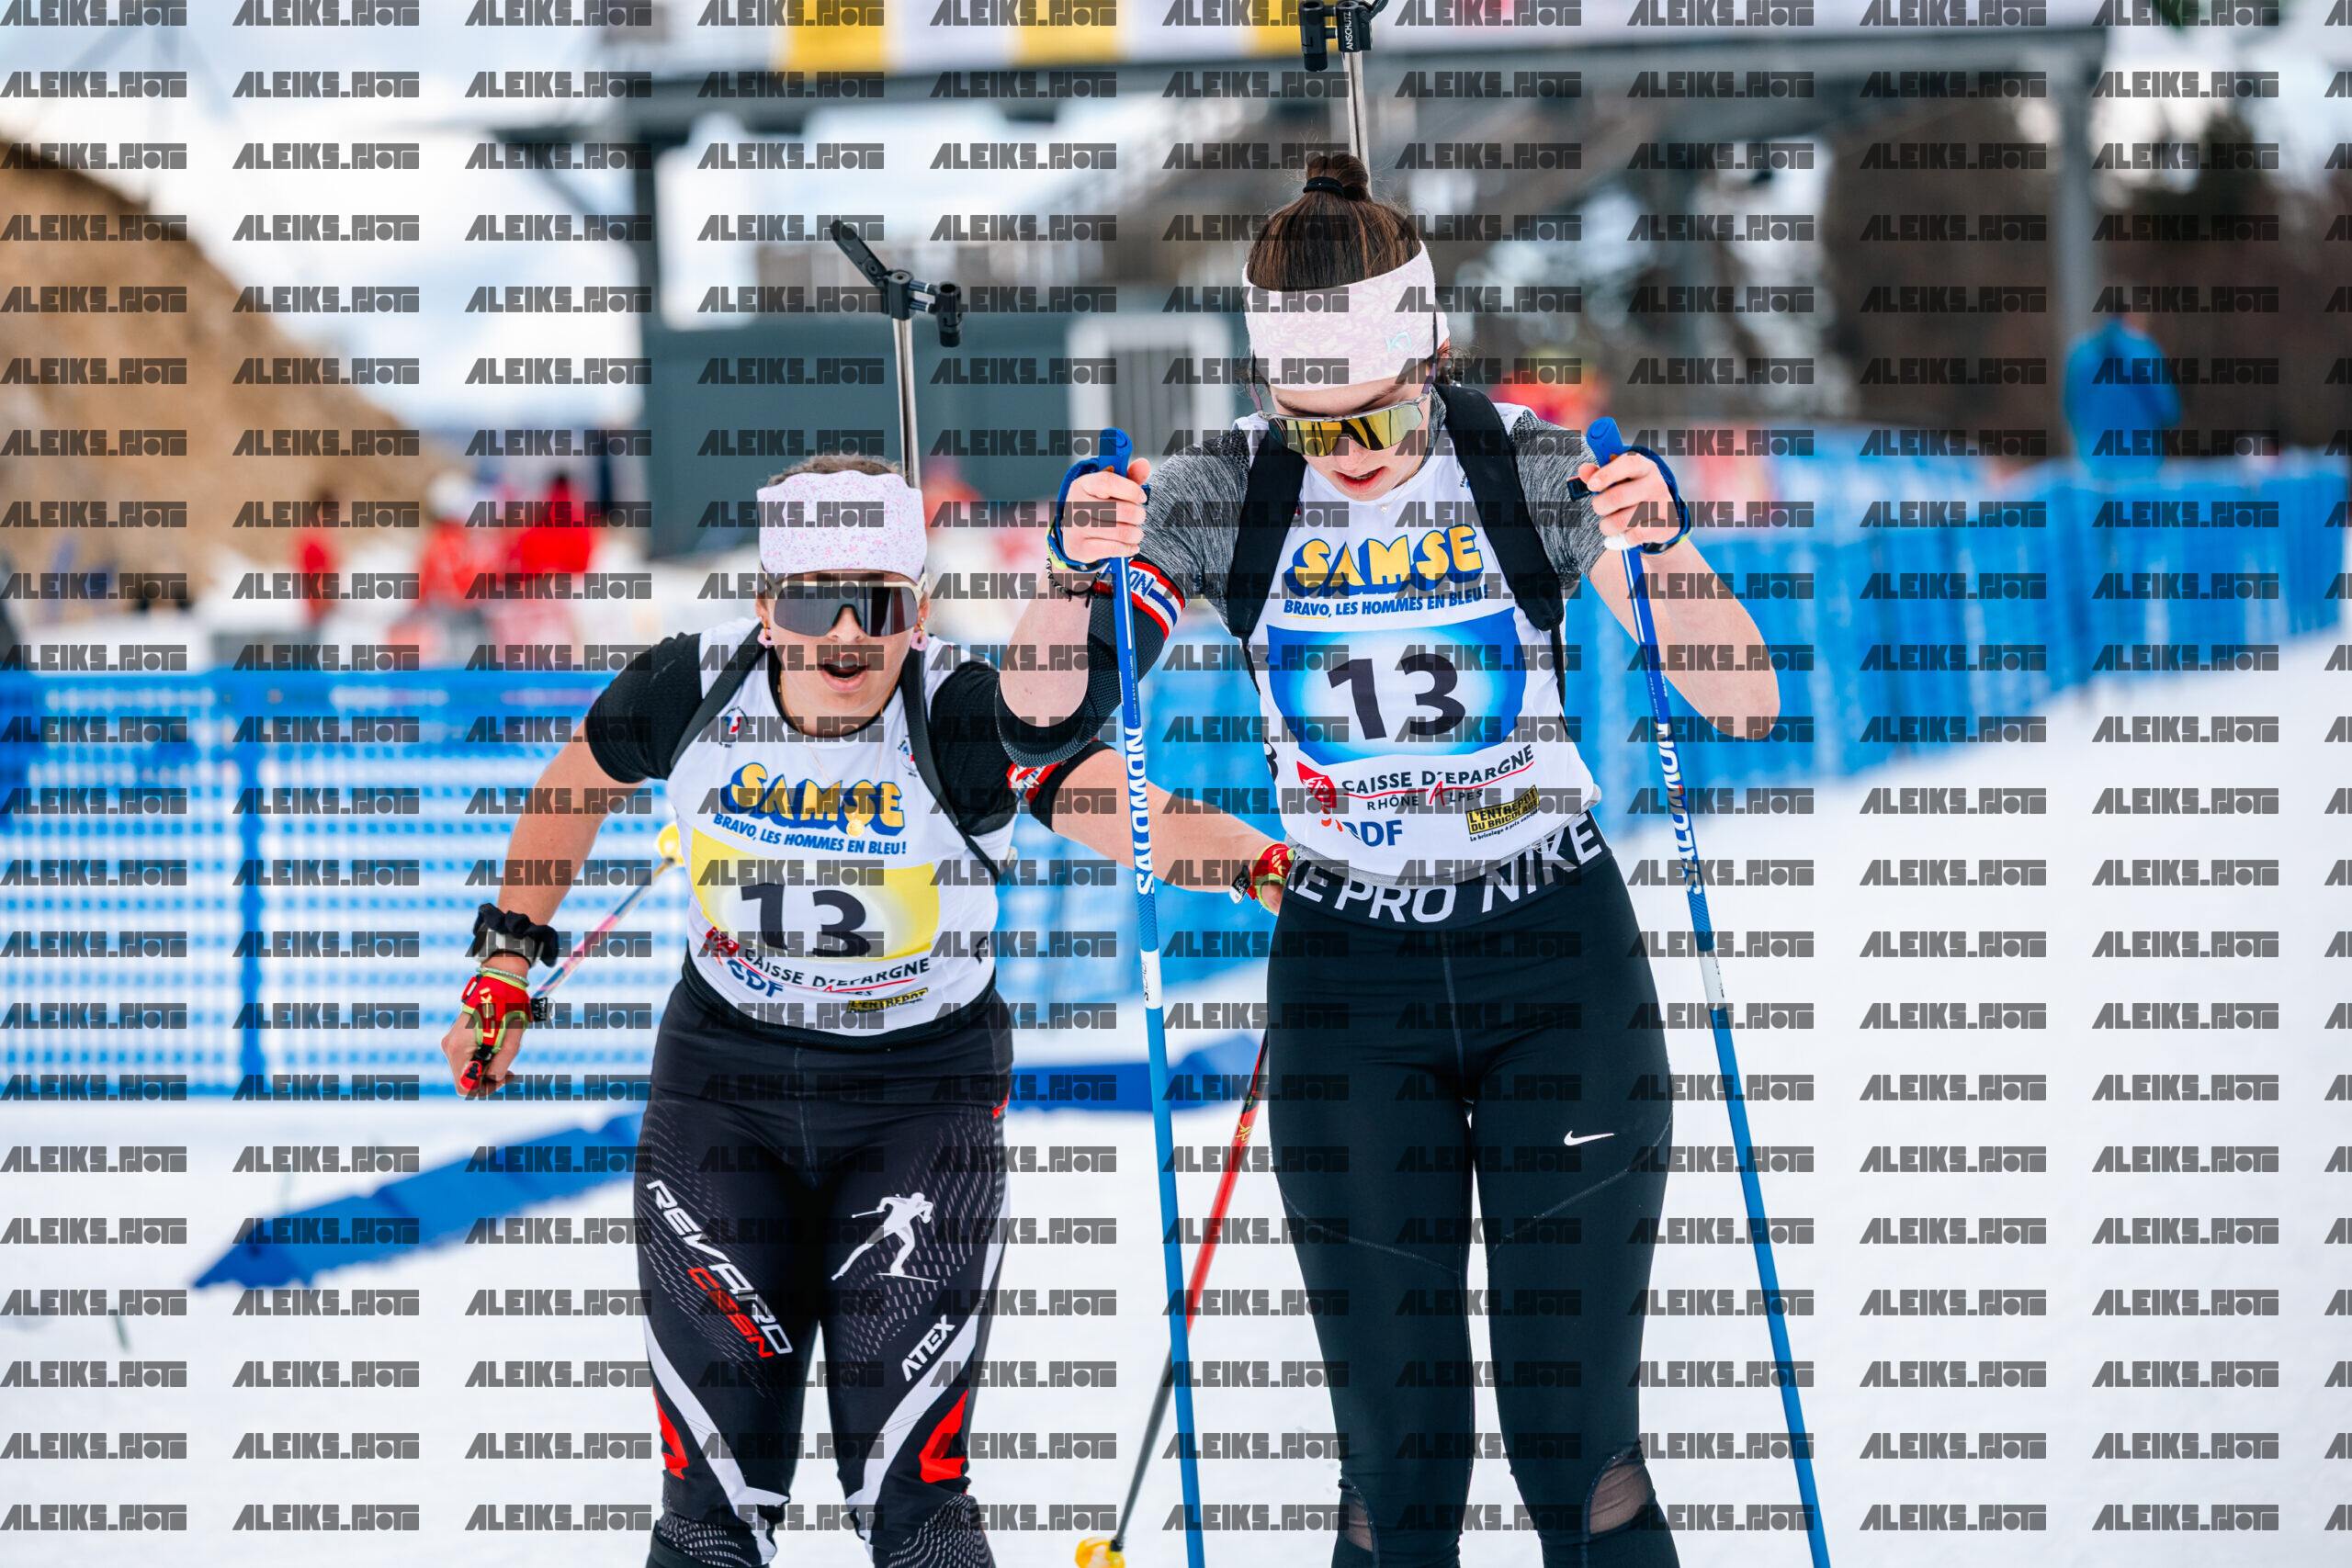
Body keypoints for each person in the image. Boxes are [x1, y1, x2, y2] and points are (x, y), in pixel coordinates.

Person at [994, 155, 1781, 1568]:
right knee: (1395, 1472)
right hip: (1351, 981)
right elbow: (1041, 722)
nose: (1349, 447)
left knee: (1580, 1450)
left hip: (1555, 961)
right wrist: (1067, 572)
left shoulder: (1523, 461)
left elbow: (1743, 698)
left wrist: (1668, 549)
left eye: (1378, 409)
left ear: (1433, 351)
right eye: (1317, 419)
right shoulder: (1224, 487)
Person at [437, 454, 1277, 1568]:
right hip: (721, 1097)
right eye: (810, 604)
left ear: (916, 615)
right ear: (765, 610)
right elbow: (573, 785)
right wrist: (504, 969)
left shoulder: (960, 715)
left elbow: (1122, 806)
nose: (843, 636)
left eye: (875, 606)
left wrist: (1268, 867)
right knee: (709, 1506)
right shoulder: (691, 688)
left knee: (911, 1501)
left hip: (916, 1106)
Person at [2063, 311, 2179, 479]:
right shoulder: (2145, 351)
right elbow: (2168, 411)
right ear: (2129, 316)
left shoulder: (2081, 355)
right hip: (2142, 462)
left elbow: (2072, 412)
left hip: (2095, 464)